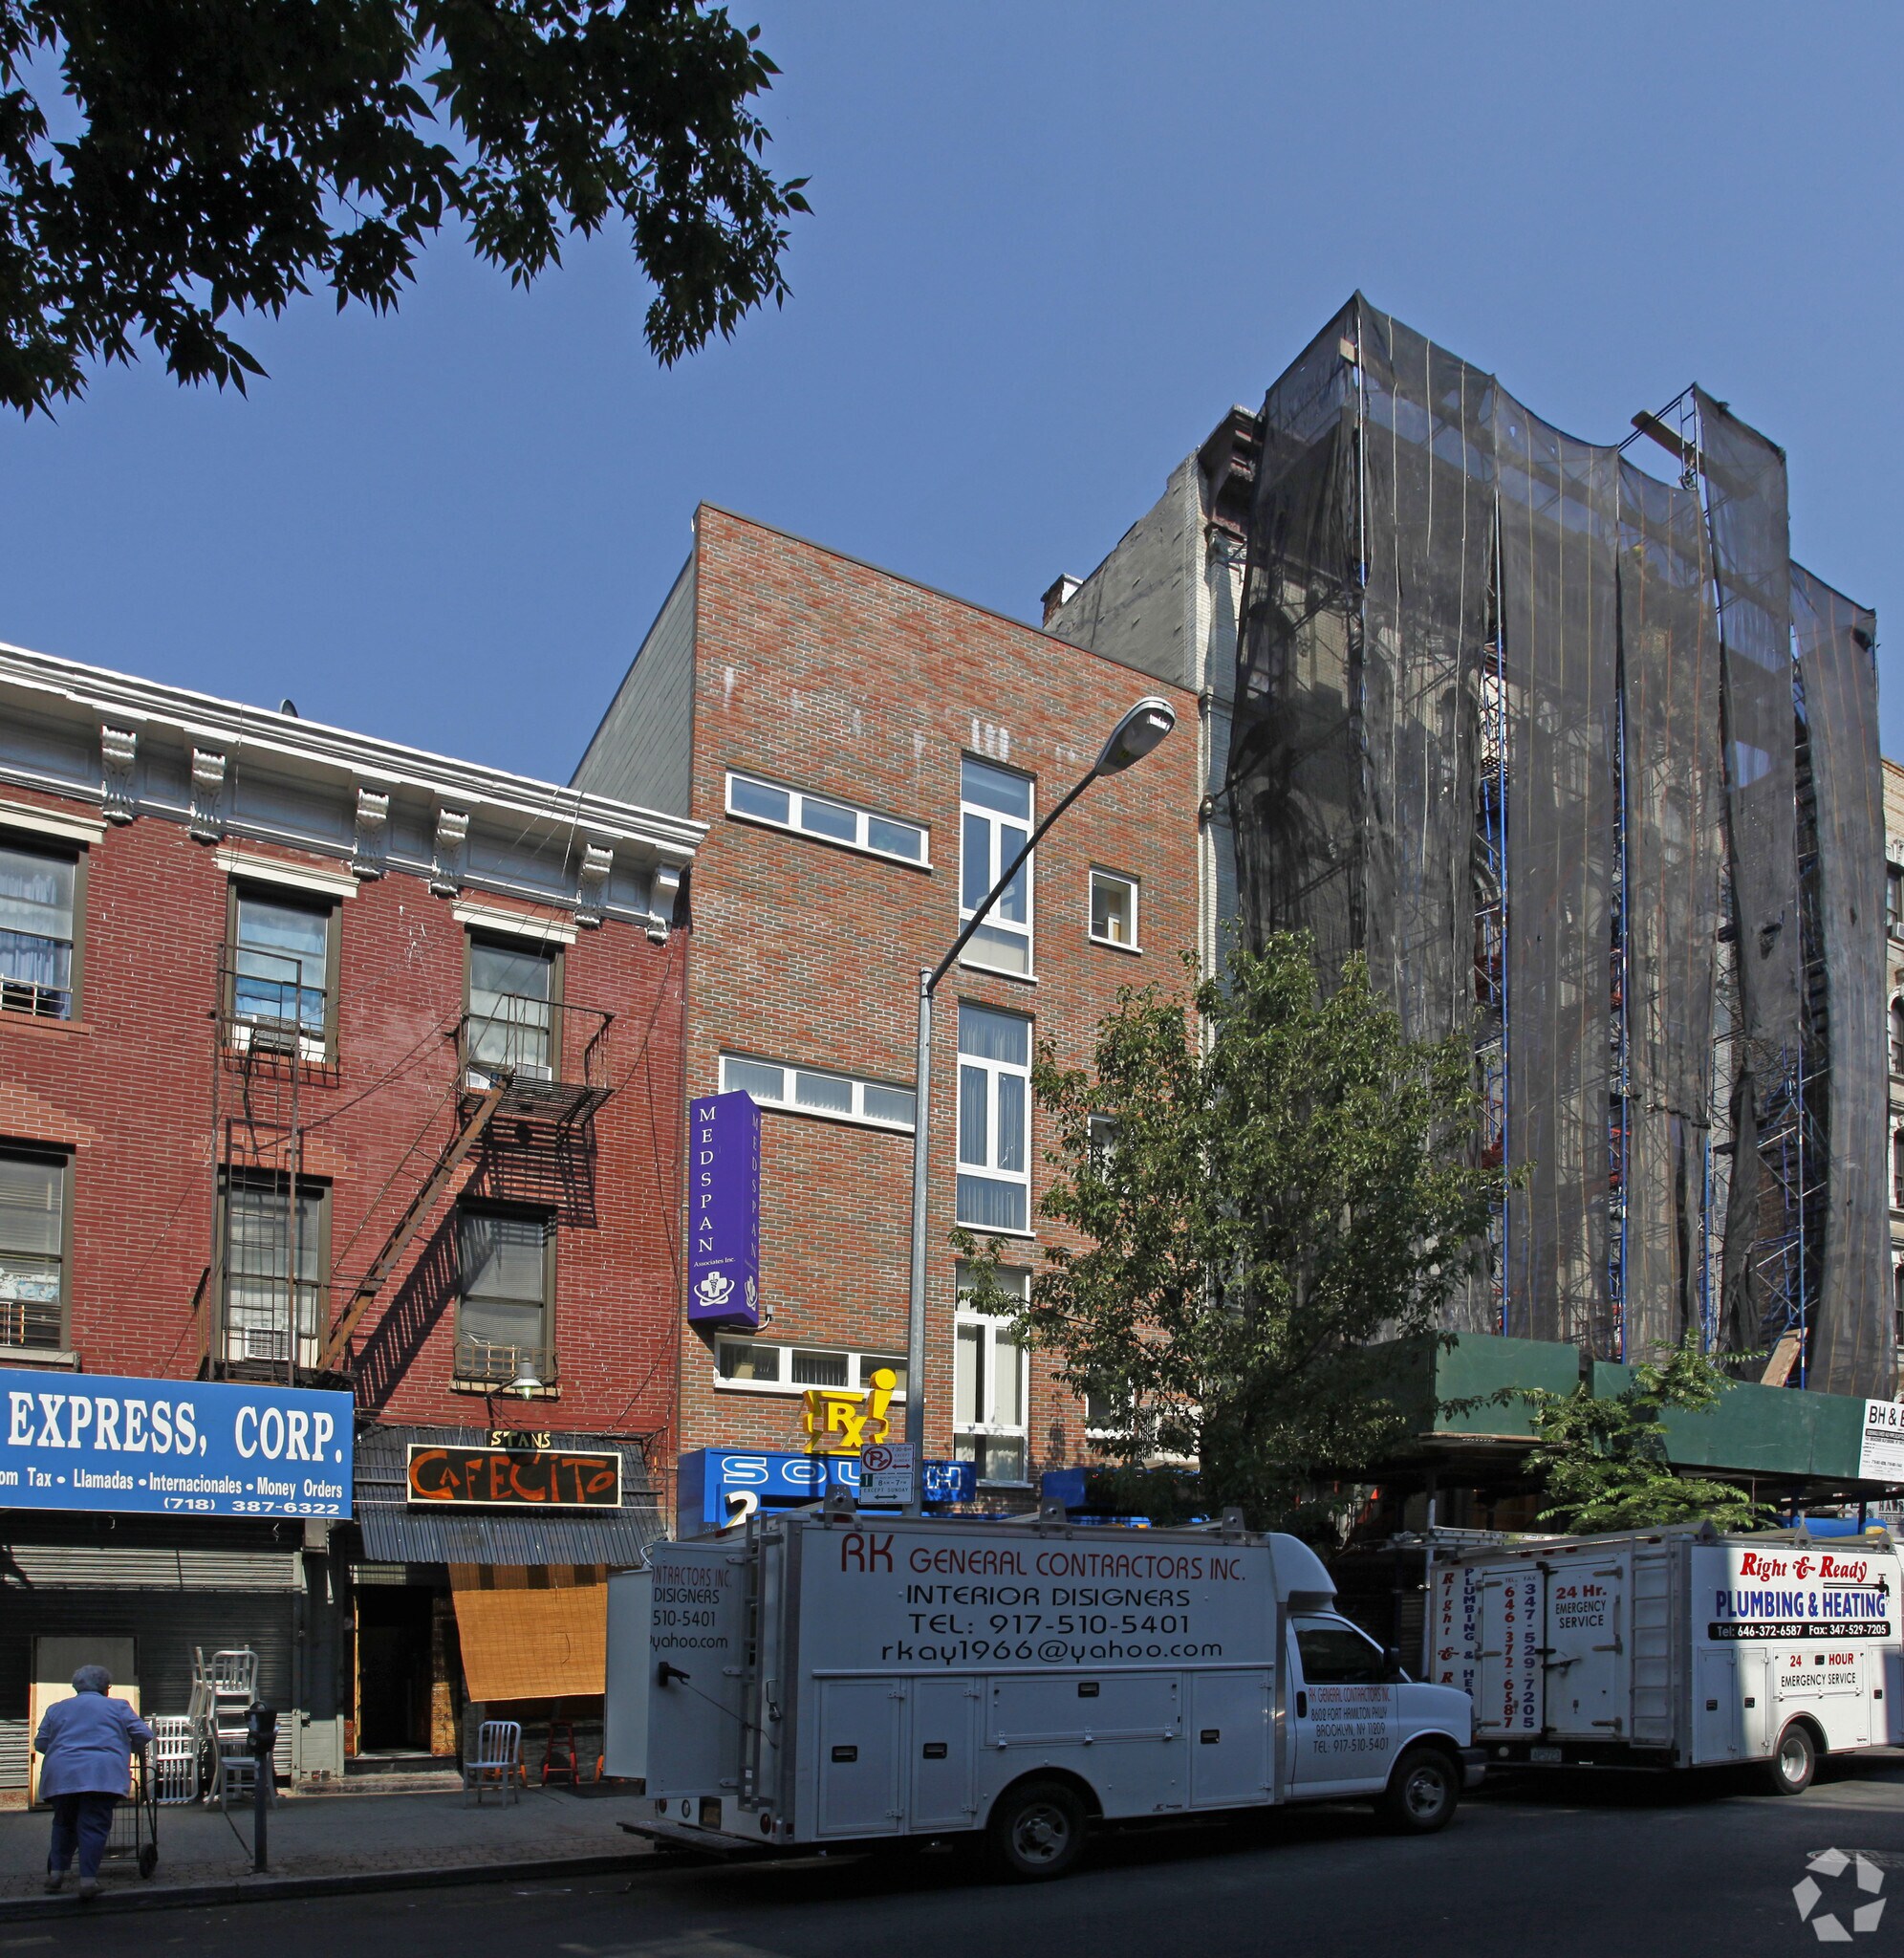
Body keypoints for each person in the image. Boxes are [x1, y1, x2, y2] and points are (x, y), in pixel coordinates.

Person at [34, 1665, 152, 1899]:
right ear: (106, 1687)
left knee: (63, 1823)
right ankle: (88, 1880)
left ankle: (56, 1874)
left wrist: (65, 1752)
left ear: (75, 1686)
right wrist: (126, 1746)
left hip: (61, 1775)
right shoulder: (118, 1707)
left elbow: (41, 1743)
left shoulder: (56, 1708)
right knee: (93, 1825)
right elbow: (144, 1735)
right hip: (101, 1774)